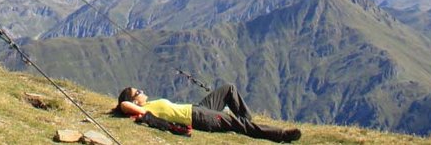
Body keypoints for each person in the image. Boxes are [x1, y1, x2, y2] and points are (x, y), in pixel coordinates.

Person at [112, 84, 301, 142]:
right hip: (198, 118)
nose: (143, 91)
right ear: (134, 100)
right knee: (238, 124)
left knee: (229, 89)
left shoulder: (148, 105)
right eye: (139, 92)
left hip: (197, 108)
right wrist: (128, 104)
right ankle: (281, 135)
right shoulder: (141, 109)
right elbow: (125, 107)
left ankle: (247, 123)